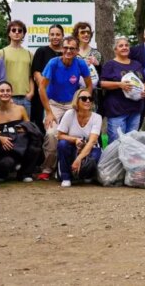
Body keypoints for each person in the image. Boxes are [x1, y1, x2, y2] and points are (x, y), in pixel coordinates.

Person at [37, 35, 92, 181]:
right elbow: (41, 88)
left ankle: (75, 168)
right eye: (66, 47)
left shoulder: (80, 64)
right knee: (51, 133)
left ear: (77, 50)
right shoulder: (53, 63)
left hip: (72, 104)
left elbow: (89, 85)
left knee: (77, 134)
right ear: (62, 48)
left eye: (72, 48)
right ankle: (48, 168)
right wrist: (48, 112)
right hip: (54, 103)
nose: (68, 51)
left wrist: (85, 101)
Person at [0, 80, 40, 182]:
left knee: (36, 138)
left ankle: (26, 173)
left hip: (21, 145)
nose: (5, 93)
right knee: (6, 163)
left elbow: (30, 127)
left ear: (12, 93)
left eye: (8, 90)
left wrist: (24, 128)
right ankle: (2, 173)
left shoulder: (21, 109)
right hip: (6, 148)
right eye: (2, 91)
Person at [100, 37, 145, 140]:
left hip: (135, 109)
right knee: (116, 142)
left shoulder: (137, 64)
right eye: (121, 46)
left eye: (126, 45)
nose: (124, 47)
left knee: (131, 142)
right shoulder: (110, 65)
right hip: (117, 110)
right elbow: (102, 83)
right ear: (115, 49)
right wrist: (119, 84)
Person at [55, 89, 103, 187]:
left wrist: (78, 159)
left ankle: (85, 175)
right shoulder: (69, 114)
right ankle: (65, 176)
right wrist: (75, 140)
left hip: (89, 147)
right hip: (72, 146)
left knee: (95, 155)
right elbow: (59, 135)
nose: (88, 101)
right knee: (62, 144)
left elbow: (92, 141)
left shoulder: (97, 117)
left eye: (90, 98)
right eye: (84, 99)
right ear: (76, 101)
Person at [30, 24, 64, 130]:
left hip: (61, 98)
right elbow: (36, 72)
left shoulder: (67, 52)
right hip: (43, 96)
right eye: (52, 34)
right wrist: (45, 90)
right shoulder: (42, 51)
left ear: (62, 36)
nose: (55, 37)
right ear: (48, 36)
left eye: (58, 34)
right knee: (43, 124)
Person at [0, 20, 34, 116]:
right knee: (8, 128)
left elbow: (31, 76)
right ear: (9, 33)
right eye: (13, 30)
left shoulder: (29, 54)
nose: (17, 32)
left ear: (23, 34)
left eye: (20, 30)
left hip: (25, 98)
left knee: (26, 128)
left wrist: (31, 93)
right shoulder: (1, 53)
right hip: (7, 97)